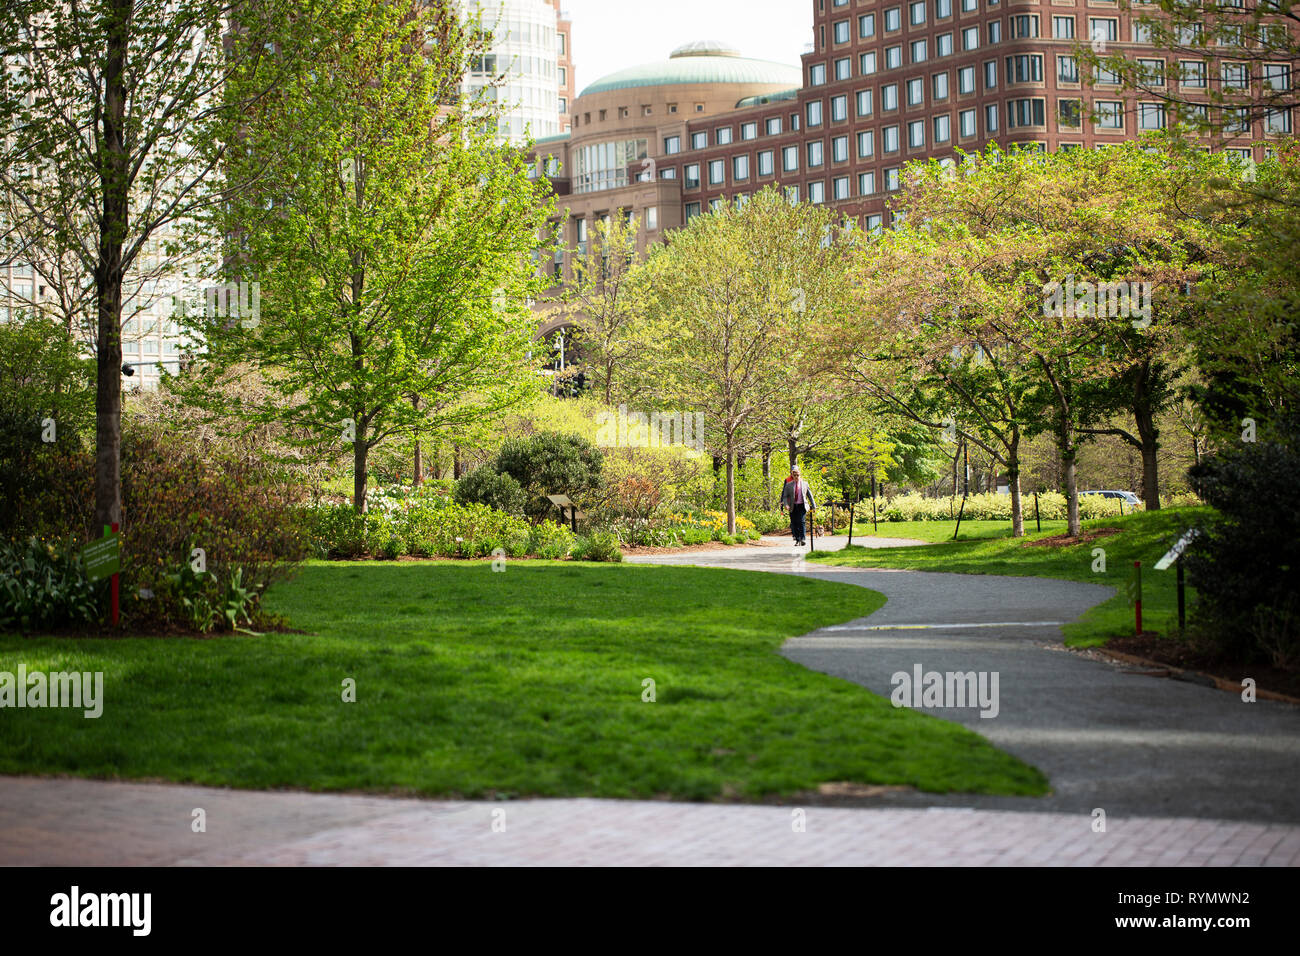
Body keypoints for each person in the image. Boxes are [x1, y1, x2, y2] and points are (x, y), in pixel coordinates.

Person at [779, 464, 816, 546]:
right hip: (793, 506)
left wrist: (813, 506)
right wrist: (785, 504)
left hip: (802, 505)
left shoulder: (805, 484)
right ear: (792, 475)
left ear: (800, 475)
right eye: (794, 475)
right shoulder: (789, 485)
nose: (796, 476)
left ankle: (802, 539)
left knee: (802, 522)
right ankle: (797, 539)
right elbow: (785, 496)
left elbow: (810, 495)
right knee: (794, 523)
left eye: (798, 475)